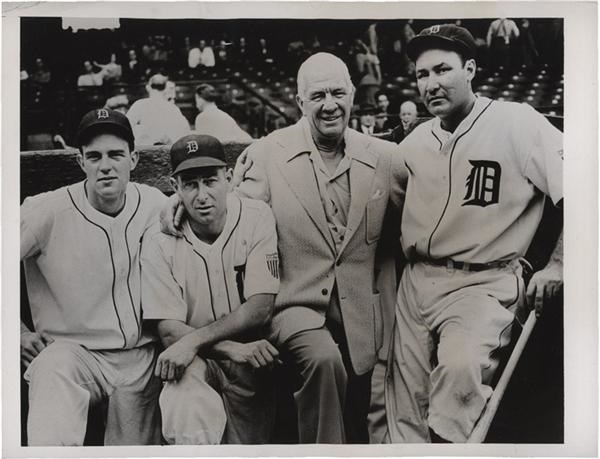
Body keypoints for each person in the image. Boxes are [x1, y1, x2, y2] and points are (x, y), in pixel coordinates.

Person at [161, 52, 403, 444]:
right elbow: (233, 210)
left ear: (354, 94)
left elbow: (424, 211)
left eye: (338, 93)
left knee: (362, 405)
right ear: (299, 102)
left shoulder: (385, 157)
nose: (330, 105)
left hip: (362, 311)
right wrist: (179, 204)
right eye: (318, 95)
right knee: (324, 362)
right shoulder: (268, 152)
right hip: (295, 305)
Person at [385, 24, 563, 443]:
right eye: (421, 75)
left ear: (470, 69)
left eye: (443, 70)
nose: (431, 84)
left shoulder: (516, 122)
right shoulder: (412, 144)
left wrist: (559, 262)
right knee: (404, 410)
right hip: (416, 282)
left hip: (483, 280)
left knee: (459, 379)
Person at [20, 108, 166, 446]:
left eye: (115, 154)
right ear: (80, 162)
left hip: (140, 358)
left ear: (134, 158)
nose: (105, 165)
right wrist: (16, 332)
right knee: (52, 369)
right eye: (94, 156)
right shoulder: (47, 210)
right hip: (74, 354)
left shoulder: (156, 204)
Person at [141, 134, 280, 444]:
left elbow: (260, 308)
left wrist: (196, 341)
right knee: (185, 398)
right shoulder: (159, 241)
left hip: (251, 361)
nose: (202, 195)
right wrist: (230, 348)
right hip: (198, 361)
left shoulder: (256, 217)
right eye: (190, 184)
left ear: (228, 179)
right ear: (174, 187)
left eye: (210, 180)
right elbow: (168, 332)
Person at [126, 73, 190, 145]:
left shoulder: (139, 105)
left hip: (146, 150)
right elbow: (184, 132)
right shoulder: (173, 108)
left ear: (148, 87)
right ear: (165, 89)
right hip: (166, 150)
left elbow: (126, 127)